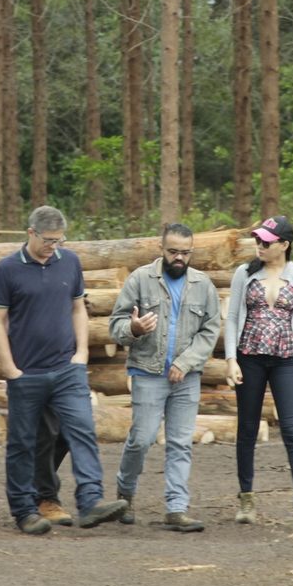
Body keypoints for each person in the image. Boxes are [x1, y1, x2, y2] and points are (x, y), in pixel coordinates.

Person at [0, 205, 129, 535]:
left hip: (67, 370)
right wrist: (10, 368)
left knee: (81, 429)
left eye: (59, 239)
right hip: (26, 373)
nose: (54, 245)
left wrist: (81, 354)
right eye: (49, 240)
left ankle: (91, 501)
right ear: (31, 233)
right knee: (23, 442)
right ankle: (24, 509)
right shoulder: (8, 269)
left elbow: (78, 308)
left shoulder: (70, 262)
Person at [109, 222, 221, 532]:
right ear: (161, 249)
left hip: (187, 377)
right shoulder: (140, 280)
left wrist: (186, 362)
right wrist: (133, 329)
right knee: (141, 439)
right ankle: (125, 493)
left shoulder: (203, 285)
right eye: (173, 251)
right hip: (147, 372)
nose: (179, 258)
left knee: (181, 442)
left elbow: (210, 330)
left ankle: (176, 508)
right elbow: (115, 326)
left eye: (185, 253)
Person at [223, 214, 293, 532]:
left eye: (266, 242)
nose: (259, 246)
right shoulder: (244, 273)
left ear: (284, 245)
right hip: (249, 357)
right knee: (248, 429)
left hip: (286, 358)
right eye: (257, 240)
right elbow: (232, 318)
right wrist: (230, 359)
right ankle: (246, 498)